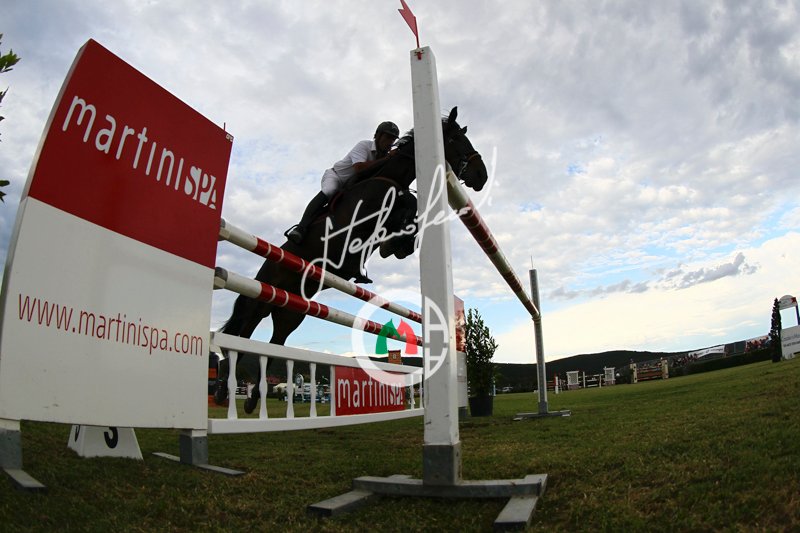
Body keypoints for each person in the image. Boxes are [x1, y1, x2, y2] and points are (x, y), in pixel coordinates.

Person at [284, 121, 400, 246]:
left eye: (393, 139)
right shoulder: (364, 145)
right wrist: (387, 158)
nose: (390, 142)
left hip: (350, 187)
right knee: (330, 190)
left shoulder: (384, 156)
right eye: (388, 137)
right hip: (336, 177)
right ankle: (301, 228)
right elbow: (359, 169)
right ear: (377, 135)